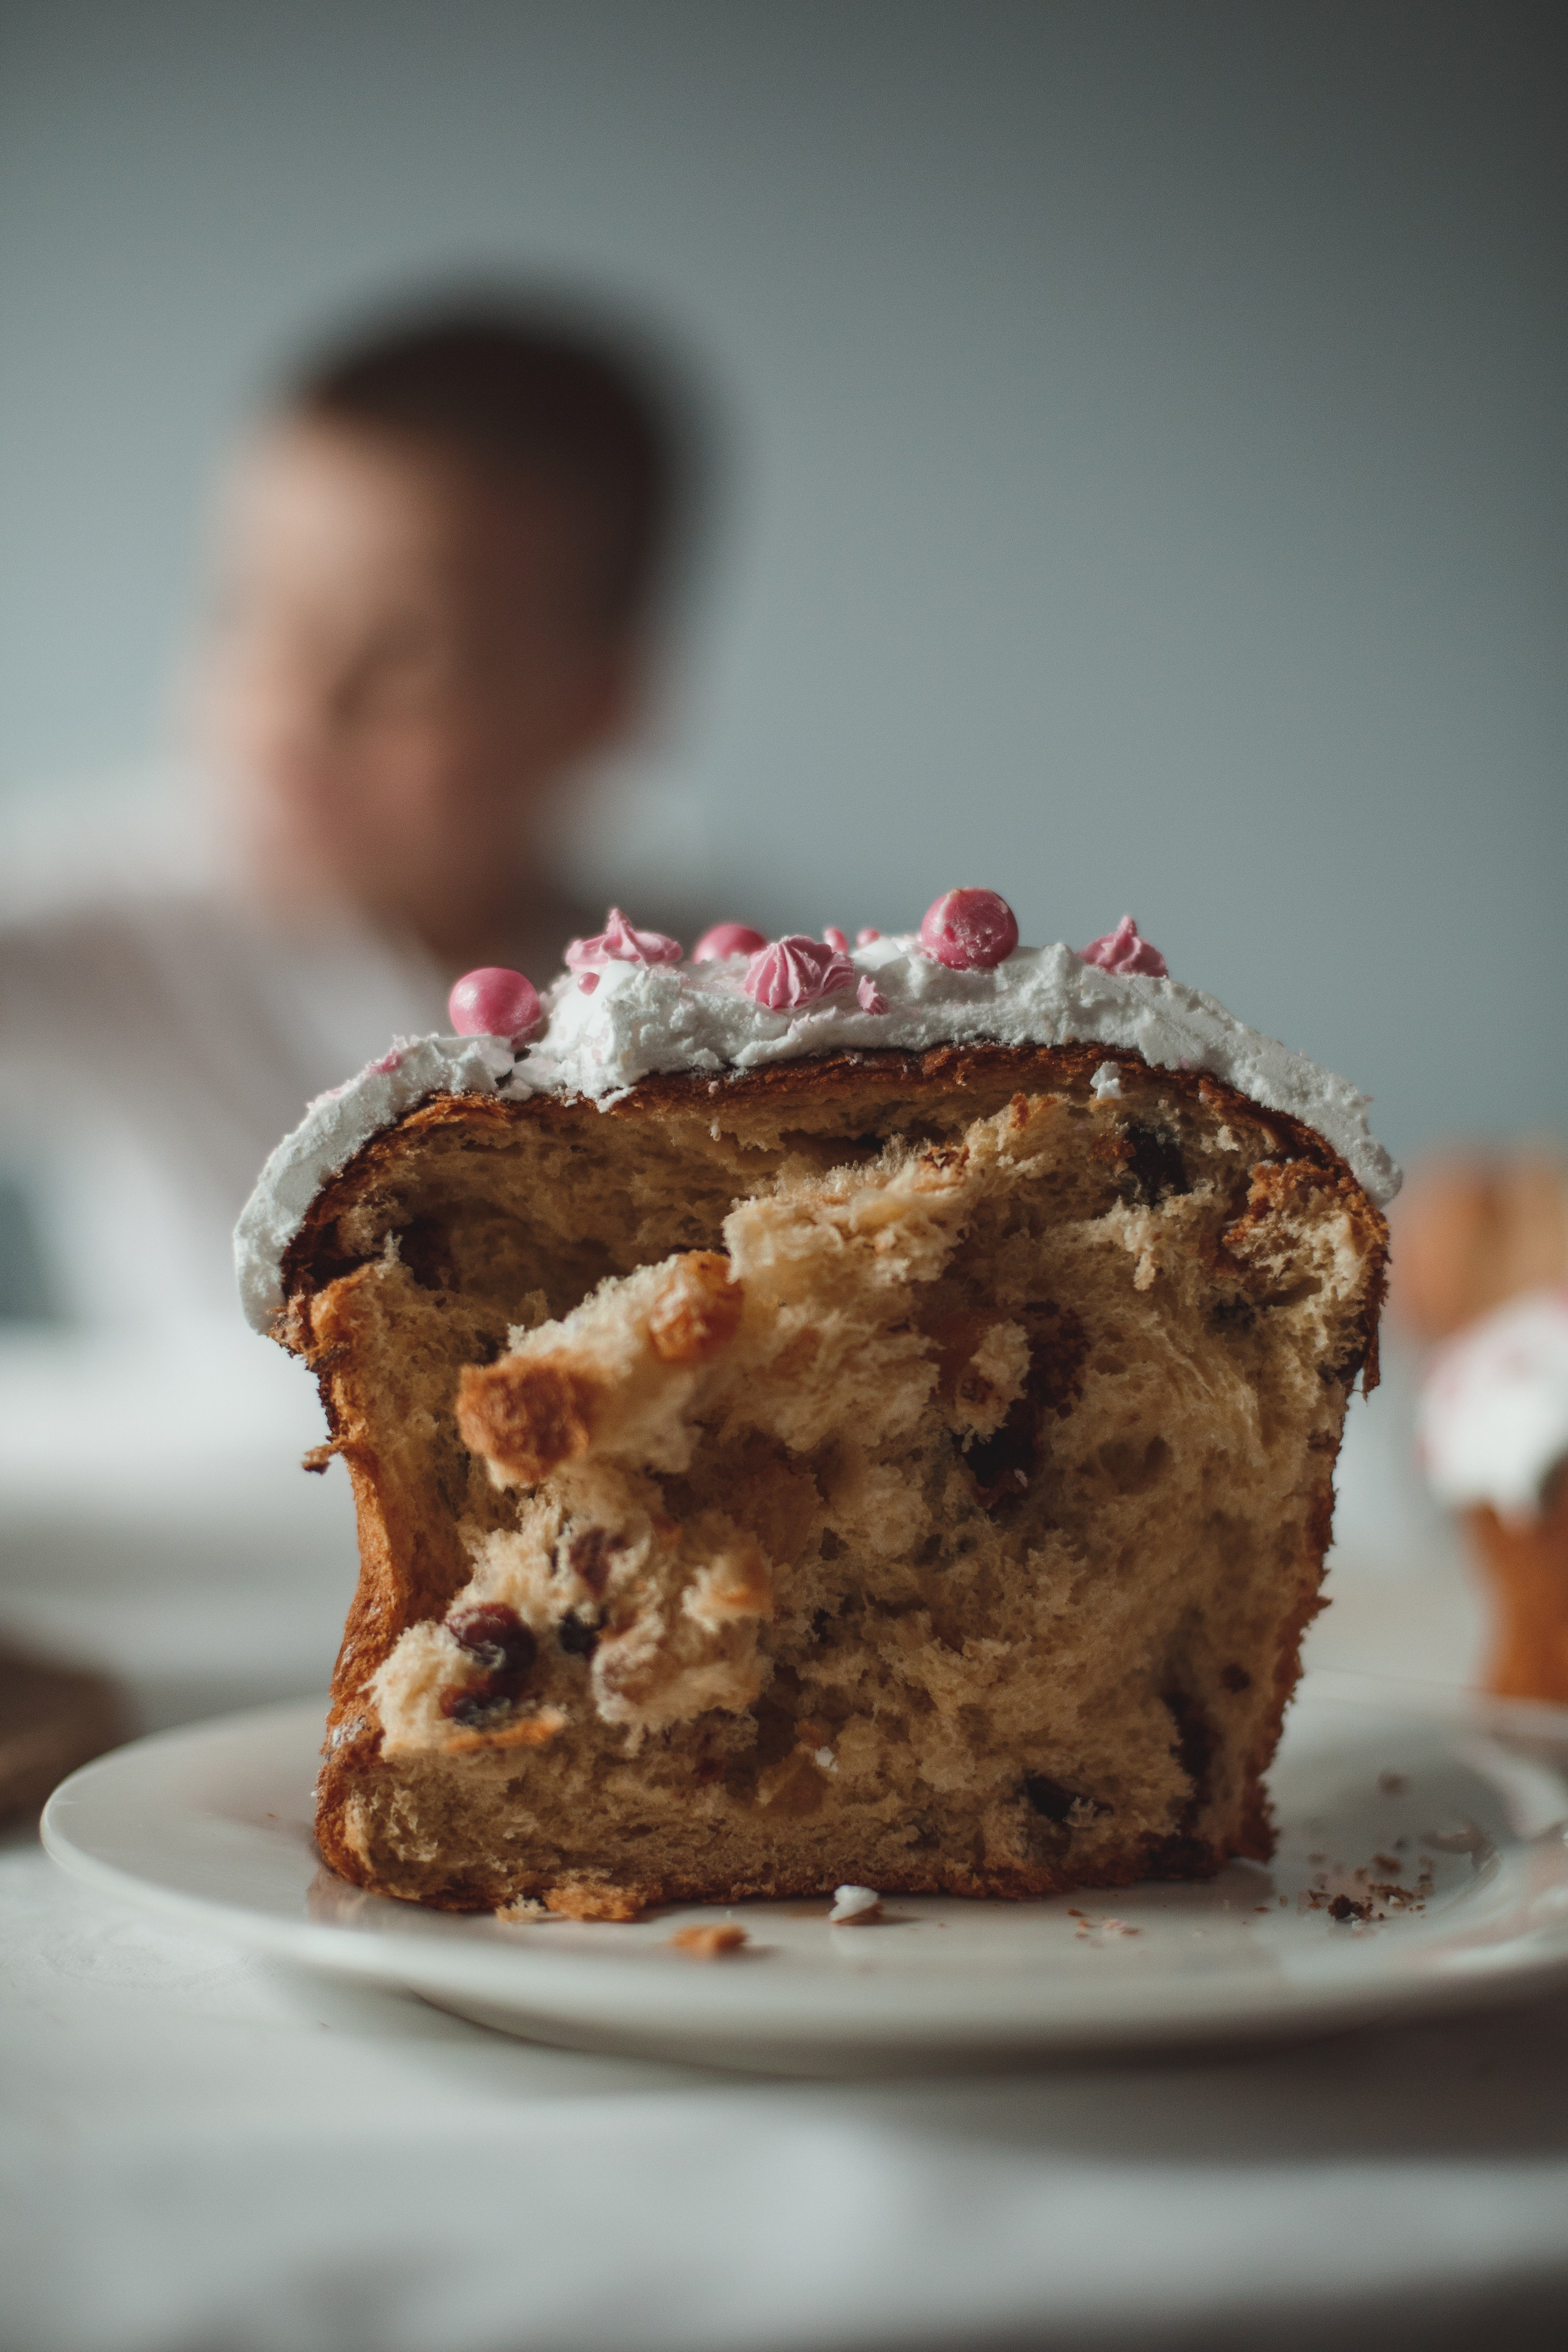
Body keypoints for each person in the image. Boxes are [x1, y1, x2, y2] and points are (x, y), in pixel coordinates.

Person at [0, 301, 689, 1324]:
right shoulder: (124, 930)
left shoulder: (696, 998)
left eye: (407, 653)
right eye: (252, 610)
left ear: (594, 706)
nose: (299, 708)